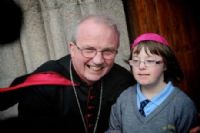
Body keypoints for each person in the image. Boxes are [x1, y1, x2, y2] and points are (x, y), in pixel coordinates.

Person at [0, 15, 135, 132]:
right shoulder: (44, 84)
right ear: (72, 48)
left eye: (108, 51)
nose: (98, 60)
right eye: (89, 49)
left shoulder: (124, 82)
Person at [106, 33, 198, 133]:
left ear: (165, 65)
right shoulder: (123, 99)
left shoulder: (182, 104)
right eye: (136, 60)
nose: (141, 66)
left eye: (150, 60)